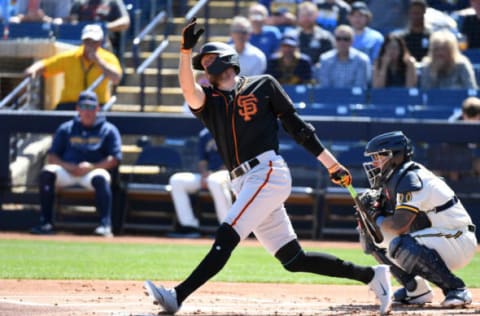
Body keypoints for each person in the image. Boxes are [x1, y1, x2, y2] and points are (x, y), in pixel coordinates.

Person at [143, 17, 393, 316]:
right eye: (202, 62)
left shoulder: (263, 84)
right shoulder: (208, 101)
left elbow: (297, 127)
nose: (205, 66)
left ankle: (177, 295)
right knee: (293, 259)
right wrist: (185, 51)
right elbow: (187, 90)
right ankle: (372, 276)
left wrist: (331, 163)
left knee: (228, 233)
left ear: (227, 61)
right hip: (243, 181)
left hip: (267, 172)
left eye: (209, 59)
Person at [358, 130, 477, 307]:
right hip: (438, 236)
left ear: (394, 156)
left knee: (400, 244)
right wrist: (370, 219)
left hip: (457, 238)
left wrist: (376, 218)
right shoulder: (396, 177)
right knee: (372, 237)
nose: (374, 162)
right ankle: (416, 290)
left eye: (378, 156)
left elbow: (399, 225)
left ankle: (457, 289)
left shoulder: (410, 177)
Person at [30, 90, 122, 237]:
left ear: (97, 108)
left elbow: (114, 159)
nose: (87, 111)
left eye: (91, 107)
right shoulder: (66, 128)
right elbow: (52, 156)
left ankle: (105, 225)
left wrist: (91, 167)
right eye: (84, 107)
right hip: (67, 170)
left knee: (101, 177)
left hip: (92, 172)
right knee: (47, 172)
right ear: (77, 108)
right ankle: (45, 223)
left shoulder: (108, 130)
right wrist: (69, 166)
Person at [24, 23, 122, 110]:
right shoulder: (71, 56)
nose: (90, 45)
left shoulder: (108, 58)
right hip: (69, 104)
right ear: (82, 41)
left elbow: (116, 78)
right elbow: (46, 64)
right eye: (87, 41)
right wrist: (33, 69)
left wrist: (99, 61)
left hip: (96, 105)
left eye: (94, 41)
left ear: (100, 42)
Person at [168, 128, 232, 238]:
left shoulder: (232, 129)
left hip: (230, 173)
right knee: (176, 180)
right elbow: (202, 160)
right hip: (210, 174)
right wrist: (204, 174)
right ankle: (189, 226)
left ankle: (228, 228)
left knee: (215, 181)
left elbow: (234, 159)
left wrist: (212, 174)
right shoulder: (205, 134)